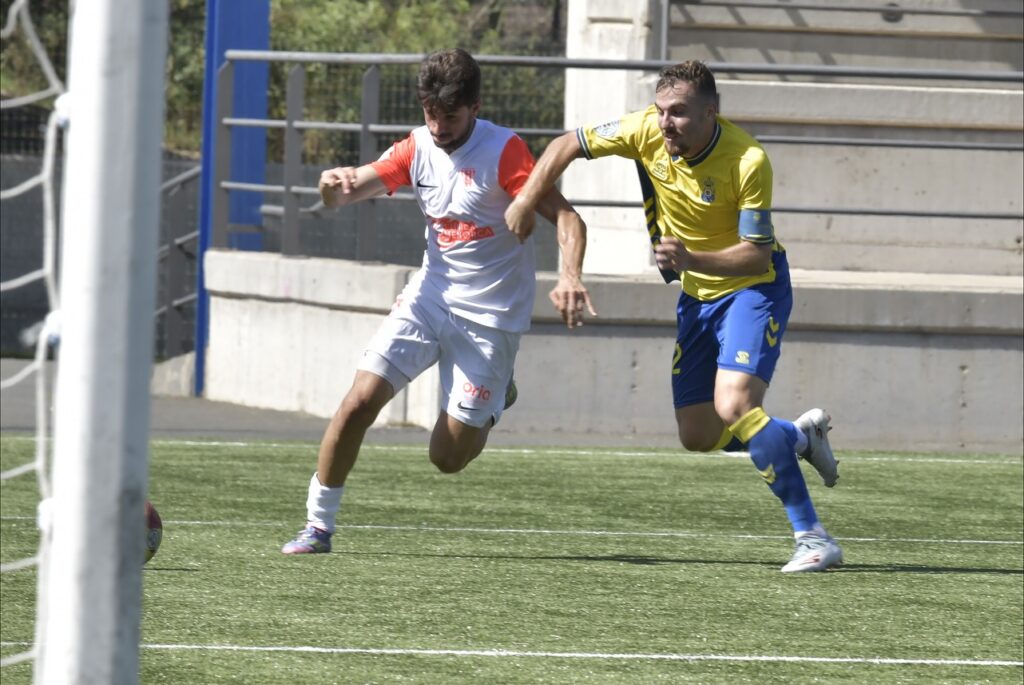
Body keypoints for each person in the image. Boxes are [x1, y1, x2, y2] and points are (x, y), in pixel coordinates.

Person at [504, 60, 842, 573]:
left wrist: (689, 259)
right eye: (661, 111)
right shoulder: (645, 130)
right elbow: (565, 145)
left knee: (734, 405)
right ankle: (797, 437)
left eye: (680, 113)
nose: (666, 123)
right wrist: (529, 199)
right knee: (697, 434)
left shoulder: (748, 159)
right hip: (697, 296)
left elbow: (756, 254)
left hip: (753, 289)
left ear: (711, 112)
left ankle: (813, 537)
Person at [282, 48, 596, 555]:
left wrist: (570, 277)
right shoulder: (416, 147)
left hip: (489, 319)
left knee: (447, 458)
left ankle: (495, 401)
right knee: (359, 401)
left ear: (475, 106)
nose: (439, 126)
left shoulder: (506, 152)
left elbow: (567, 218)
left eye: (449, 115)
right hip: (429, 299)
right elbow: (349, 189)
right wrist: (329, 187)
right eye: (430, 113)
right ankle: (318, 526)